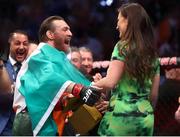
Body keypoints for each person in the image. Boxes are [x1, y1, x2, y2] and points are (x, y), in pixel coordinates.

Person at [13, 16, 100, 136]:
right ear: (50, 34)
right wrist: (79, 89)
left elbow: (42, 93)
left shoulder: (57, 59)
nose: (70, 33)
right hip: (29, 120)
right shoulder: (39, 54)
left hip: (44, 119)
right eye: (65, 29)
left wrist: (95, 87)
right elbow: (48, 77)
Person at [93, 3, 160, 136]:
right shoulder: (152, 54)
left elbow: (110, 82)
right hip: (145, 118)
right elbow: (153, 95)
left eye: (119, 21)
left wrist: (88, 87)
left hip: (121, 117)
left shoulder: (122, 47)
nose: (117, 26)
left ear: (128, 21)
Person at [0, 30, 29, 136]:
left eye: (25, 44)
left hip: (25, 129)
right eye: (17, 43)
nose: (21, 47)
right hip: (4, 127)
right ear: (10, 44)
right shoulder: (1, 67)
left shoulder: (32, 69)